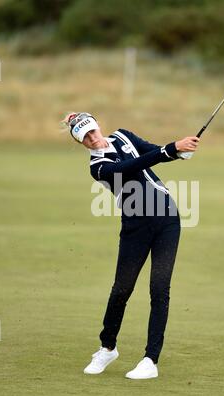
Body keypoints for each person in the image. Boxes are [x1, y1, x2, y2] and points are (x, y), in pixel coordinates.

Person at [63, 112, 199, 379]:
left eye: (93, 131)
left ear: (98, 125)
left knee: (159, 289)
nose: (93, 138)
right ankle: (107, 347)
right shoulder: (98, 167)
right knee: (121, 290)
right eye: (86, 138)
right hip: (135, 227)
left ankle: (150, 360)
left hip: (166, 219)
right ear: (81, 143)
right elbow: (132, 166)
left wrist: (180, 151)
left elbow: (152, 151)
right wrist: (171, 148)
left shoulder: (124, 135)